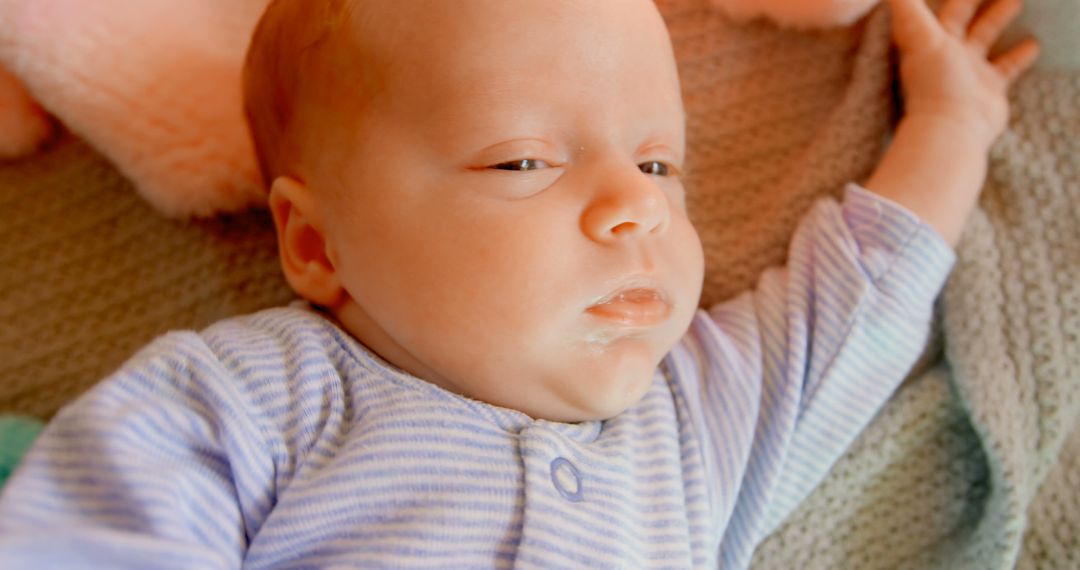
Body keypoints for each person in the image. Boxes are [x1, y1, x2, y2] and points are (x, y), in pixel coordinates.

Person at [0, 0, 1037, 567]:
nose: (634, 208)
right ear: (316, 246)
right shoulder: (252, 397)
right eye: (523, 161)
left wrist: (953, 127)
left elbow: (858, 302)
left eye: (660, 163)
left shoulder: (696, 423)